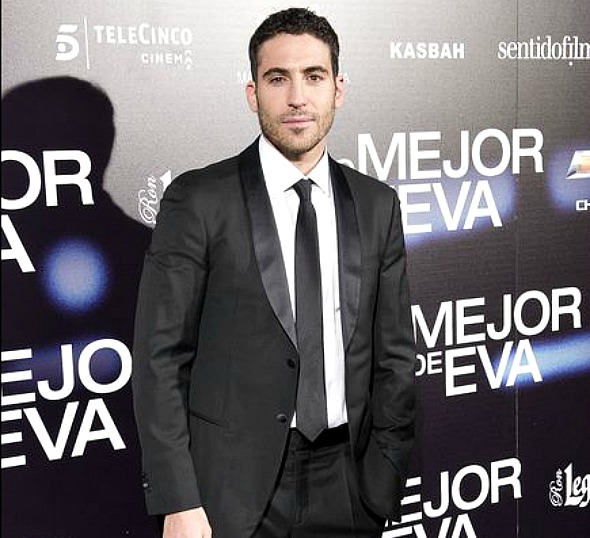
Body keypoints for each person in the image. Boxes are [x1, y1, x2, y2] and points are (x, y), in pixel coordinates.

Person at [132, 7, 416, 538]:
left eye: (314, 76)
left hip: (350, 485)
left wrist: (384, 474)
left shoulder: (377, 205)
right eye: (278, 78)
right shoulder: (199, 200)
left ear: (338, 89)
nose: (297, 98)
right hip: (230, 494)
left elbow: (395, 353)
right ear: (253, 92)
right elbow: (159, 358)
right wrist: (180, 499)